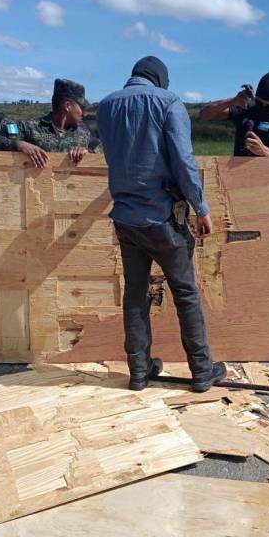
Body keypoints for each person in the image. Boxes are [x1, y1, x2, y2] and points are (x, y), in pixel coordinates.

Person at [96, 55, 226, 392]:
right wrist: (201, 207)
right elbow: (183, 161)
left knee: (136, 295)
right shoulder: (168, 103)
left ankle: (139, 371)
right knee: (186, 293)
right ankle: (201, 370)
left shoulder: (106, 106)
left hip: (125, 217)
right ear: (159, 79)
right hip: (164, 216)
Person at [0, 79, 98, 167]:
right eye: (82, 108)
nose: (84, 113)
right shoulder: (29, 127)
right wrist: (18, 145)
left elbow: (105, 153)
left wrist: (88, 152)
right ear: (67, 106)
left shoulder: (85, 133)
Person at [199, 72, 269, 157]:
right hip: (237, 178)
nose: (264, 107)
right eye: (260, 103)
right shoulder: (245, 110)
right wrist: (232, 101)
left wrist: (265, 152)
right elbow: (204, 115)